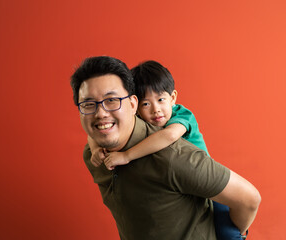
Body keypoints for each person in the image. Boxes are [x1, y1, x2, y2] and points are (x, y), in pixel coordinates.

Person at [70, 56, 261, 240]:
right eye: (89, 104)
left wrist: (238, 233)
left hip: (210, 186)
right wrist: (95, 149)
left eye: (111, 100)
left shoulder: (172, 155)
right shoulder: (96, 153)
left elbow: (249, 199)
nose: (101, 113)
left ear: (132, 103)